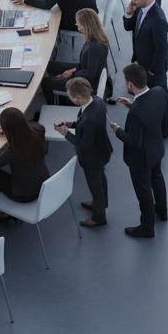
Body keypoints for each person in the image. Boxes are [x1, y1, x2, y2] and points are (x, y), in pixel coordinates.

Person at [110, 63, 168, 238]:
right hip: (156, 149)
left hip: (140, 159)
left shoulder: (137, 112)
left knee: (144, 193)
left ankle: (147, 228)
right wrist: (132, 104)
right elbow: (149, 115)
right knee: (157, 179)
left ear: (130, 85)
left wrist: (117, 130)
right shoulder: (159, 92)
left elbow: (134, 142)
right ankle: (163, 212)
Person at [55, 78, 112, 227]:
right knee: (101, 179)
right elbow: (86, 127)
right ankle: (102, 203)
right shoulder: (97, 101)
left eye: (70, 96)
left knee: (95, 188)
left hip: (92, 157)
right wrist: (73, 125)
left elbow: (84, 145)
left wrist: (66, 133)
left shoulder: (89, 120)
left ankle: (99, 218)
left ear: (77, 98)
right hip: (102, 151)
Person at [123, 0, 168, 138]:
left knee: (161, 96)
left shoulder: (158, 20)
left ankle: (164, 131)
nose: (133, 0)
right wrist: (128, 13)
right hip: (142, 61)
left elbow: (161, 50)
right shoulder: (140, 7)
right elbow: (129, 27)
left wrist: (150, 72)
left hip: (154, 67)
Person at [0, 108, 49, 204]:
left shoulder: (13, 150)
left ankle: (5, 212)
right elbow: (23, 130)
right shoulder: (39, 129)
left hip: (25, 195)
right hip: (43, 184)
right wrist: (8, 131)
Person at [43, 7, 109, 104]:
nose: (76, 24)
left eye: (78, 22)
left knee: (45, 82)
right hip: (82, 72)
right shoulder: (94, 38)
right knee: (50, 66)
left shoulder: (94, 47)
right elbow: (87, 66)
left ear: (85, 25)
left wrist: (72, 74)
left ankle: (60, 103)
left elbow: (90, 75)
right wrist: (72, 71)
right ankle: (60, 95)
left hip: (85, 85)